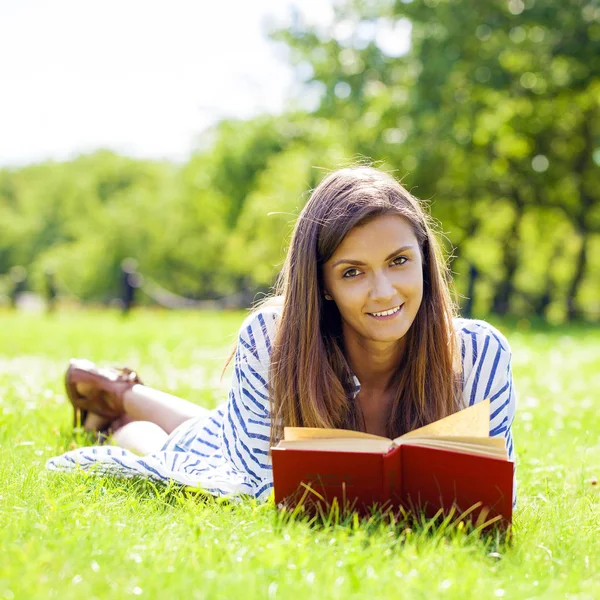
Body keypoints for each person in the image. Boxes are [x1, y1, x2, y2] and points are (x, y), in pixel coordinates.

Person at [47, 167, 517, 504]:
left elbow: (499, 495)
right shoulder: (274, 338)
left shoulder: (479, 352)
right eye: (352, 272)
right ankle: (120, 410)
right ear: (324, 285)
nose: (383, 291)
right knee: (175, 449)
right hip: (231, 450)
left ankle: (121, 391)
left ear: (424, 259)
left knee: (212, 425)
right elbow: (254, 486)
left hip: (237, 429)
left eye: (399, 261)